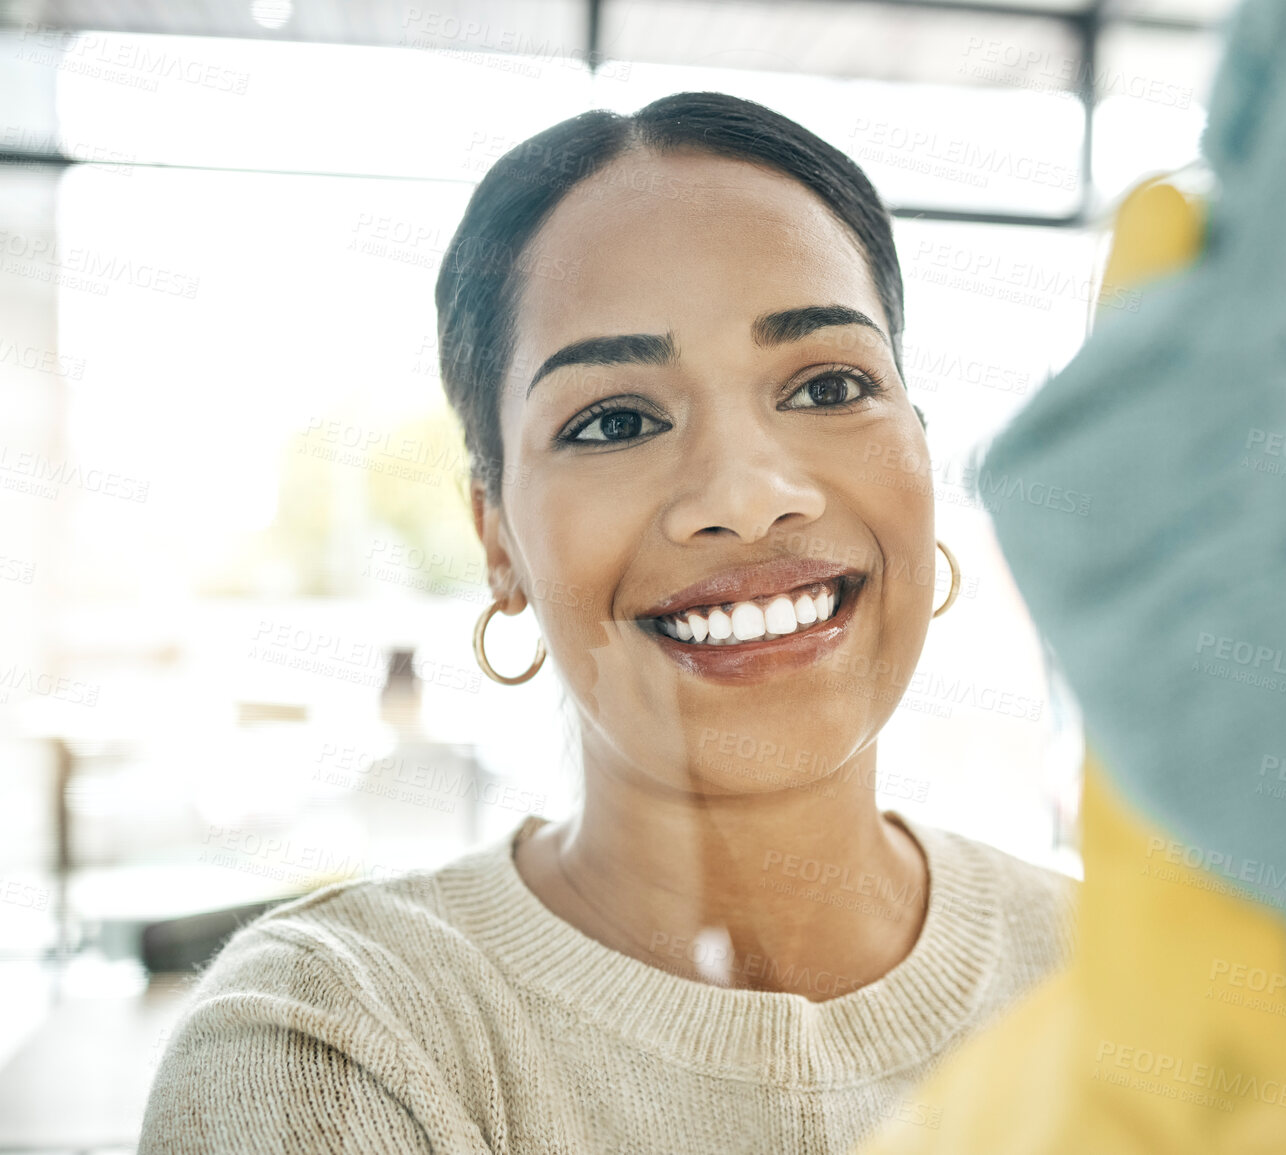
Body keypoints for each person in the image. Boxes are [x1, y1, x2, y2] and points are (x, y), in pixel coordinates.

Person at [139, 91, 1075, 1154]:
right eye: (615, 420)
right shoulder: (333, 1038)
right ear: (497, 537)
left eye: (827, 386)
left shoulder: (1129, 981)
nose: (746, 494)